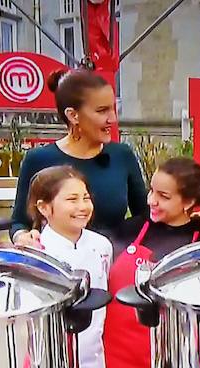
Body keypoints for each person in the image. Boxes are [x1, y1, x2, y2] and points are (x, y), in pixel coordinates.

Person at [104, 158, 200, 368]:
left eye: (163, 196)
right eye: (151, 191)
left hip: (172, 362)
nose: (151, 201)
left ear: (189, 202)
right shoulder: (130, 230)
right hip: (116, 359)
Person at [11, 69, 148, 247]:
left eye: (113, 109)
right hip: (58, 266)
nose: (112, 119)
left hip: (112, 261)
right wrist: (22, 236)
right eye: (102, 111)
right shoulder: (38, 159)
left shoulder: (122, 155)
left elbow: (145, 216)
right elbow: (19, 222)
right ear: (73, 115)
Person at [27, 165, 112, 368]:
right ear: (44, 207)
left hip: (95, 367)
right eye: (72, 199)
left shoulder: (102, 245)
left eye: (86, 198)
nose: (83, 207)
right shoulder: (36, 254)